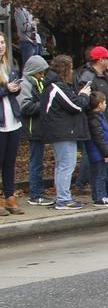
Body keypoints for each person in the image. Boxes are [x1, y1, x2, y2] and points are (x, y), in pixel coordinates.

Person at [74, 46, 108, 198]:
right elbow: (87, 101)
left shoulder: (107, 76)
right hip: (99, 124)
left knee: (104, 158)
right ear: (100, 60)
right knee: (99, 157)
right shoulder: (88, 77)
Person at [41, 55, 91, 211]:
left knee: (61, 165)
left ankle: (61, 197)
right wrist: (84, 95)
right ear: (66, 69)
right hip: (62, 131)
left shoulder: (53, 85)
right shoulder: (57, 87)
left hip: (58, 130)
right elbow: (76, 106)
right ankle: (63, 199)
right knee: (66, 165)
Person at [17, 55, 53, 206]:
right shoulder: (26, 84)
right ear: (33, 71)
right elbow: (25, 107)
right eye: (40, 73)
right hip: (33, 128)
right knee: (36, 162)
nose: (42, 76)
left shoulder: (36, 82)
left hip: (39, 128)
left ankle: (37, 193)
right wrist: (45, 104)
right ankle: (35, 194)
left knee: (38, 162)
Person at [0, 33, 24, 215]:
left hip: (13, 120)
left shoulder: (9, 65)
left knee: (10, 162)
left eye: (2, 42)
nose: (1, 46)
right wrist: (5, 89)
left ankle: (10, 196)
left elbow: (13, 93)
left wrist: (16, 88)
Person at [85, 92, 108, 207]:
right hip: (99, 153)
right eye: (104, 102)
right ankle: (100, 197)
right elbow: (99, 138)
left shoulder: (97, 117)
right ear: (100, 105)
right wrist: (107, 153)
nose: (106, 105)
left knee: (99, 175)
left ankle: (100, 196)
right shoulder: (95, 119)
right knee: (100, 176)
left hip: (99, 152)